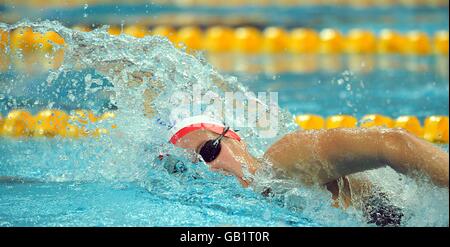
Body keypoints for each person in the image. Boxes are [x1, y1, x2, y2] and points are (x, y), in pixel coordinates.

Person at [165, 115, 449, 226]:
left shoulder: (282, 162)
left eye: (209, 151)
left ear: (235, 138)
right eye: (194, 170)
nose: (210, 170)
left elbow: (390, 142)